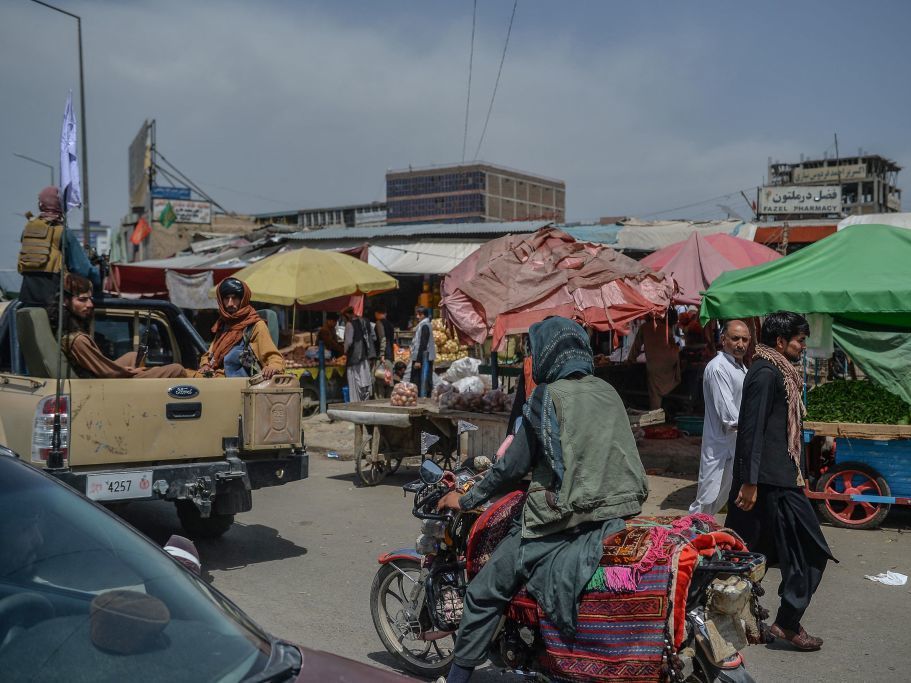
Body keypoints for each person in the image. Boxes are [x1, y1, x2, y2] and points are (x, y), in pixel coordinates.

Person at [435, 317, 649, 683]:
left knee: (485, 591)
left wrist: (468, 499)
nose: (531, 361)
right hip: (619, 512)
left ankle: (457, 677)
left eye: (533, 353)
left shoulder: (546, 398)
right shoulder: (607, 391)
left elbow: (509, 469)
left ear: (546, 354)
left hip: (564, 522)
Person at [725, 311, 835, 652]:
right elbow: (750, 431)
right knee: (808, 552)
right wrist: (749, 482)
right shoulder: (765, 374)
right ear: (779, 342)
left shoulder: (781, 373)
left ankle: (773, 620)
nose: (803, 347)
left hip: (780, 480)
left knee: (742, 554)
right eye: (799, 341)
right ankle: (784, 623)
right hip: (767, 485)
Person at [55, 274, 186, 379]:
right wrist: (127, 371)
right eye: (82, 300)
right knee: (176, 369)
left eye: (90, 299)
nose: (90, 304)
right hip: (105, 383)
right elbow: (106, 373)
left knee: (133, 356)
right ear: (66, 301)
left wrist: (126, 370)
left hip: (106, 376)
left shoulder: (72, 334)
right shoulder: (78, 341)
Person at [689, 320, 750, 515]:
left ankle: (702, 537)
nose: (740, 344)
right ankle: (688, 537)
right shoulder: (718, 368)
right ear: (723, 339)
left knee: (721, 497)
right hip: (719, 445)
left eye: (745, 340)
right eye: (735, 338)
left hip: (735, 443)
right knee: (707, 498)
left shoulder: (741, 368)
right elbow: (729, 416)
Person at [18, 186, 101, 309]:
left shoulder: (27, 230)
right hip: (53, 303)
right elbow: (82, 269)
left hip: (26, 300)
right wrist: (99, 277)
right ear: (61, 205)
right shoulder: (63, 232)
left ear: (40, 205)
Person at [197, 277, 284, 378]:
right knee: (177, 371)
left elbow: (274, 358)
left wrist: (273, 366)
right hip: (213, 377)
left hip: (233, 383)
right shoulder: (223, 325)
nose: (230, 303)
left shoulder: (255, 326)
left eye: (234, 298)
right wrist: (205, 365)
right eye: (226, 298)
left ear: (243, 299)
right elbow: (210, 354)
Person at [627, 310, 681, 409]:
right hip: (669, 362)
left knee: (655, 392)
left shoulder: (645, 328)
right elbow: (673, 346)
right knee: (660, 387)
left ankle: (656, 415)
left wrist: (630, 360)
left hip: (655, 365)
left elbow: (636, 348)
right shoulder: (665, 328)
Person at [342, 306, 375, 402]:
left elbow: (348, 342)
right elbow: (373, 337)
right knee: (364, 381)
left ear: (347, 315)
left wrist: (345, 351)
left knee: (355, 383)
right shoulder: (365, 322)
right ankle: (364, 401)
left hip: (354, 358)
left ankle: (356, 403)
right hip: (364, 357)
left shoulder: (349, 324)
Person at [408, 307, 436, 396]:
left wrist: (418, 361)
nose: (417, 316)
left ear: (424, 315)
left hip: (423, 358)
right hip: (422, 357)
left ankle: (422, 398)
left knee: (421, 380)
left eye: (419, 314)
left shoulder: (424, 326)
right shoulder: (423, 325)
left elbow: (423, 344)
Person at [373, 304, 395, 398]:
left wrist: (382, 354)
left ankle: (380, 401)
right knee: (389, 379)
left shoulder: (379, 323)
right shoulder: (390, 324)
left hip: (383, 356)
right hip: (390, 355)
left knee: (379, 380)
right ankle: (389, 400)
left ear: (377, 313)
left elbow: (383, 339)